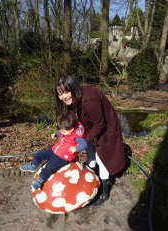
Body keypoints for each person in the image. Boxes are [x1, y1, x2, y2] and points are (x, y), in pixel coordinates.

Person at [55, 75, 126, 206]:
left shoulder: (89, 99)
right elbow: (73, 120)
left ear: (74, 89)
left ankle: (104, 192)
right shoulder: (72, 101)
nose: (63, 97)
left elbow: (100, 124)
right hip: (88, 127)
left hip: (105, 128)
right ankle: (90, 182)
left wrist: (85, 141)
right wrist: (64, 133)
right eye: (60, 94)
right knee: (90, 156)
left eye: (66, 92)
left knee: (102, 159)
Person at [20, 114, 87, 190]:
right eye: (61, 130)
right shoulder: (66, 131)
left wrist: (76, 148)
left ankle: (39, 180)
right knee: (41, 153)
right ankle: (32, 166)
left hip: (62, 158)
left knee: (49, 167)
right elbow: (60, 133)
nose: (61, 132)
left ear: (71, 129)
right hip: (53, 151)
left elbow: (84, 144)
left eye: (63, 131)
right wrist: (55, 134)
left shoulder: (77, 136)